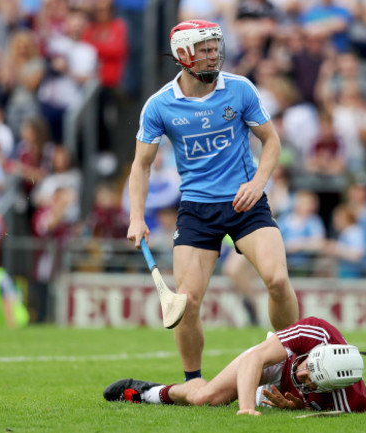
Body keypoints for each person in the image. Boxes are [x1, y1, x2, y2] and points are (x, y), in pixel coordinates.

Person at [128, 19, 299, 382]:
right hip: (196, 210)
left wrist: (257, 182)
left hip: (245, 203)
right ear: (184, 54)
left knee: (278, 282)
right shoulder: (159, 105)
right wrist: (136, 217)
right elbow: (141, 166)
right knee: (187, 304)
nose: (213, 56)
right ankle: (194, 384)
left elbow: (271, 142)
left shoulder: (240, 90)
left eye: (214, 49)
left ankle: (292, 364)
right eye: (204, 50)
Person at [103, 317, 366, 415]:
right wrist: (246, 409)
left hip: (282, 393)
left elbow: (318, 406)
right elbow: (255, 359)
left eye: (311, 379)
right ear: (317, 352)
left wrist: (297, 404)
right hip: (276, 361)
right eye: (309, 365)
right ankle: (149, 392)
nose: (302, 374)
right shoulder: (316, 332)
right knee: (206, 398)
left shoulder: (351, 402)